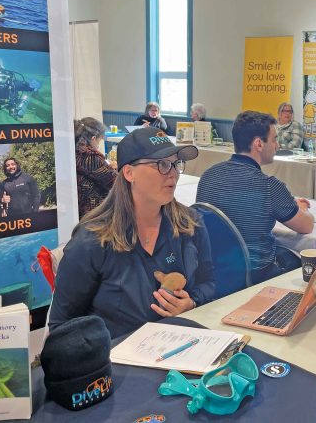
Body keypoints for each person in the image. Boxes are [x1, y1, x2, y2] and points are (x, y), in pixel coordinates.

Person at [49, 128, 214, 338]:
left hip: (180, 344)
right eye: (162, 164)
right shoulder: (91, 241)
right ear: (129, 173)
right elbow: (61, 326)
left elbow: (209, 282)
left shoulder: (190, 224)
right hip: (115, 353)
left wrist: (192, 302)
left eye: (176, 164)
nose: (173, 173)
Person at [197, 111, 314, 284]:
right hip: (255, 276)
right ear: (259, 143)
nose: (277, 145)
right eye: (274, 139)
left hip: (212, 273)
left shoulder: (208, 176)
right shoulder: (269, 186)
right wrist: (302, 208)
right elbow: (306, 226)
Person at [74, 117, 118, 218]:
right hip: (93, 212)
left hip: (79, 208)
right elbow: (114, 182)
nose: (98, 144)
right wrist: (115, 169)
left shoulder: (75, 149)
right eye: (100, 139)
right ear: (93, 138)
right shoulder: (90, 156)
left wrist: (106, 166)